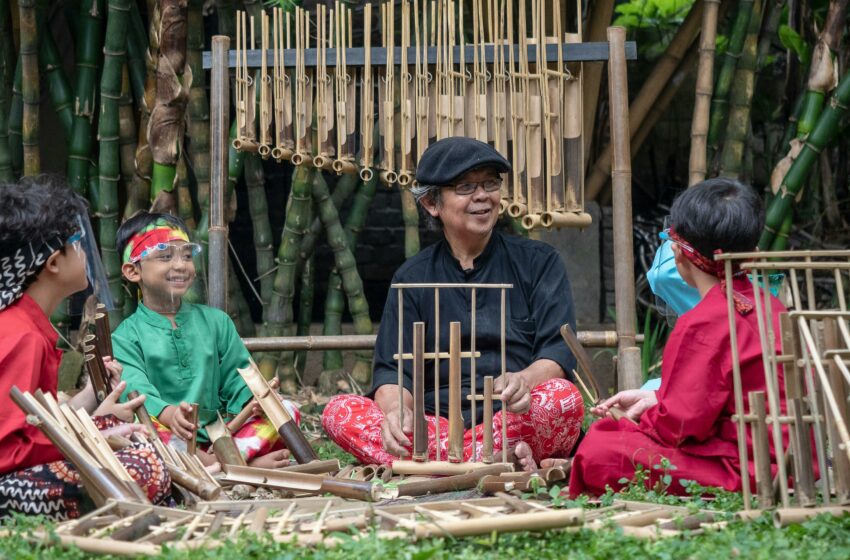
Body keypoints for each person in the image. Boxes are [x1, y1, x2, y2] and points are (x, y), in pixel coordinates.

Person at [322, 137, 584, 466]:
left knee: (562, 398)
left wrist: (525, 380)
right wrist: (396, 412)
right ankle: (491, 458)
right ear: (432, 203)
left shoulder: (539, 262)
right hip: (436, 424)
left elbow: (558, 352)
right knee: (340, 412)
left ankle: (440, 463)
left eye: (490, 183)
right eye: (465, 186)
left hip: (513, 418)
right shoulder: (411, 278)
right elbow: (393, 370)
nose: (482, 196)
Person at [568, 177, 808, 497]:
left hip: (750, 468)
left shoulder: (702, 322)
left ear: (679, 253)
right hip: (793, 460)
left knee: (601, 445)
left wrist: (638, 419)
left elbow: (680, 426)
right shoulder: (771, 304)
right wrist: (654, 399)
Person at [0, 176, 170, 520]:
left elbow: (38, 424)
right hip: (7, 487)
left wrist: (93, 396)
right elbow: (7, 451)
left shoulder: (26, 325)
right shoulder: (23, 337)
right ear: (52, 264)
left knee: (125, 438)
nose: (84, 251)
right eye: (76, 242)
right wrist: (92, 440)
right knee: (145, 465)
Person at [113, 212, 298, 469]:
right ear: (133, 271)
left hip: (220, 437)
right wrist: (170, 414)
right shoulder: (124, 337)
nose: (180, 265)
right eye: (165, 256)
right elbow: (135, 393)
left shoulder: (217, 322)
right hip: (168, 436)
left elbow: (240, 377)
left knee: (286, 410)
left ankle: (216, 466)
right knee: (138, 430)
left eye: (187, 256)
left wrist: (253, 401)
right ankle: (239, 467)